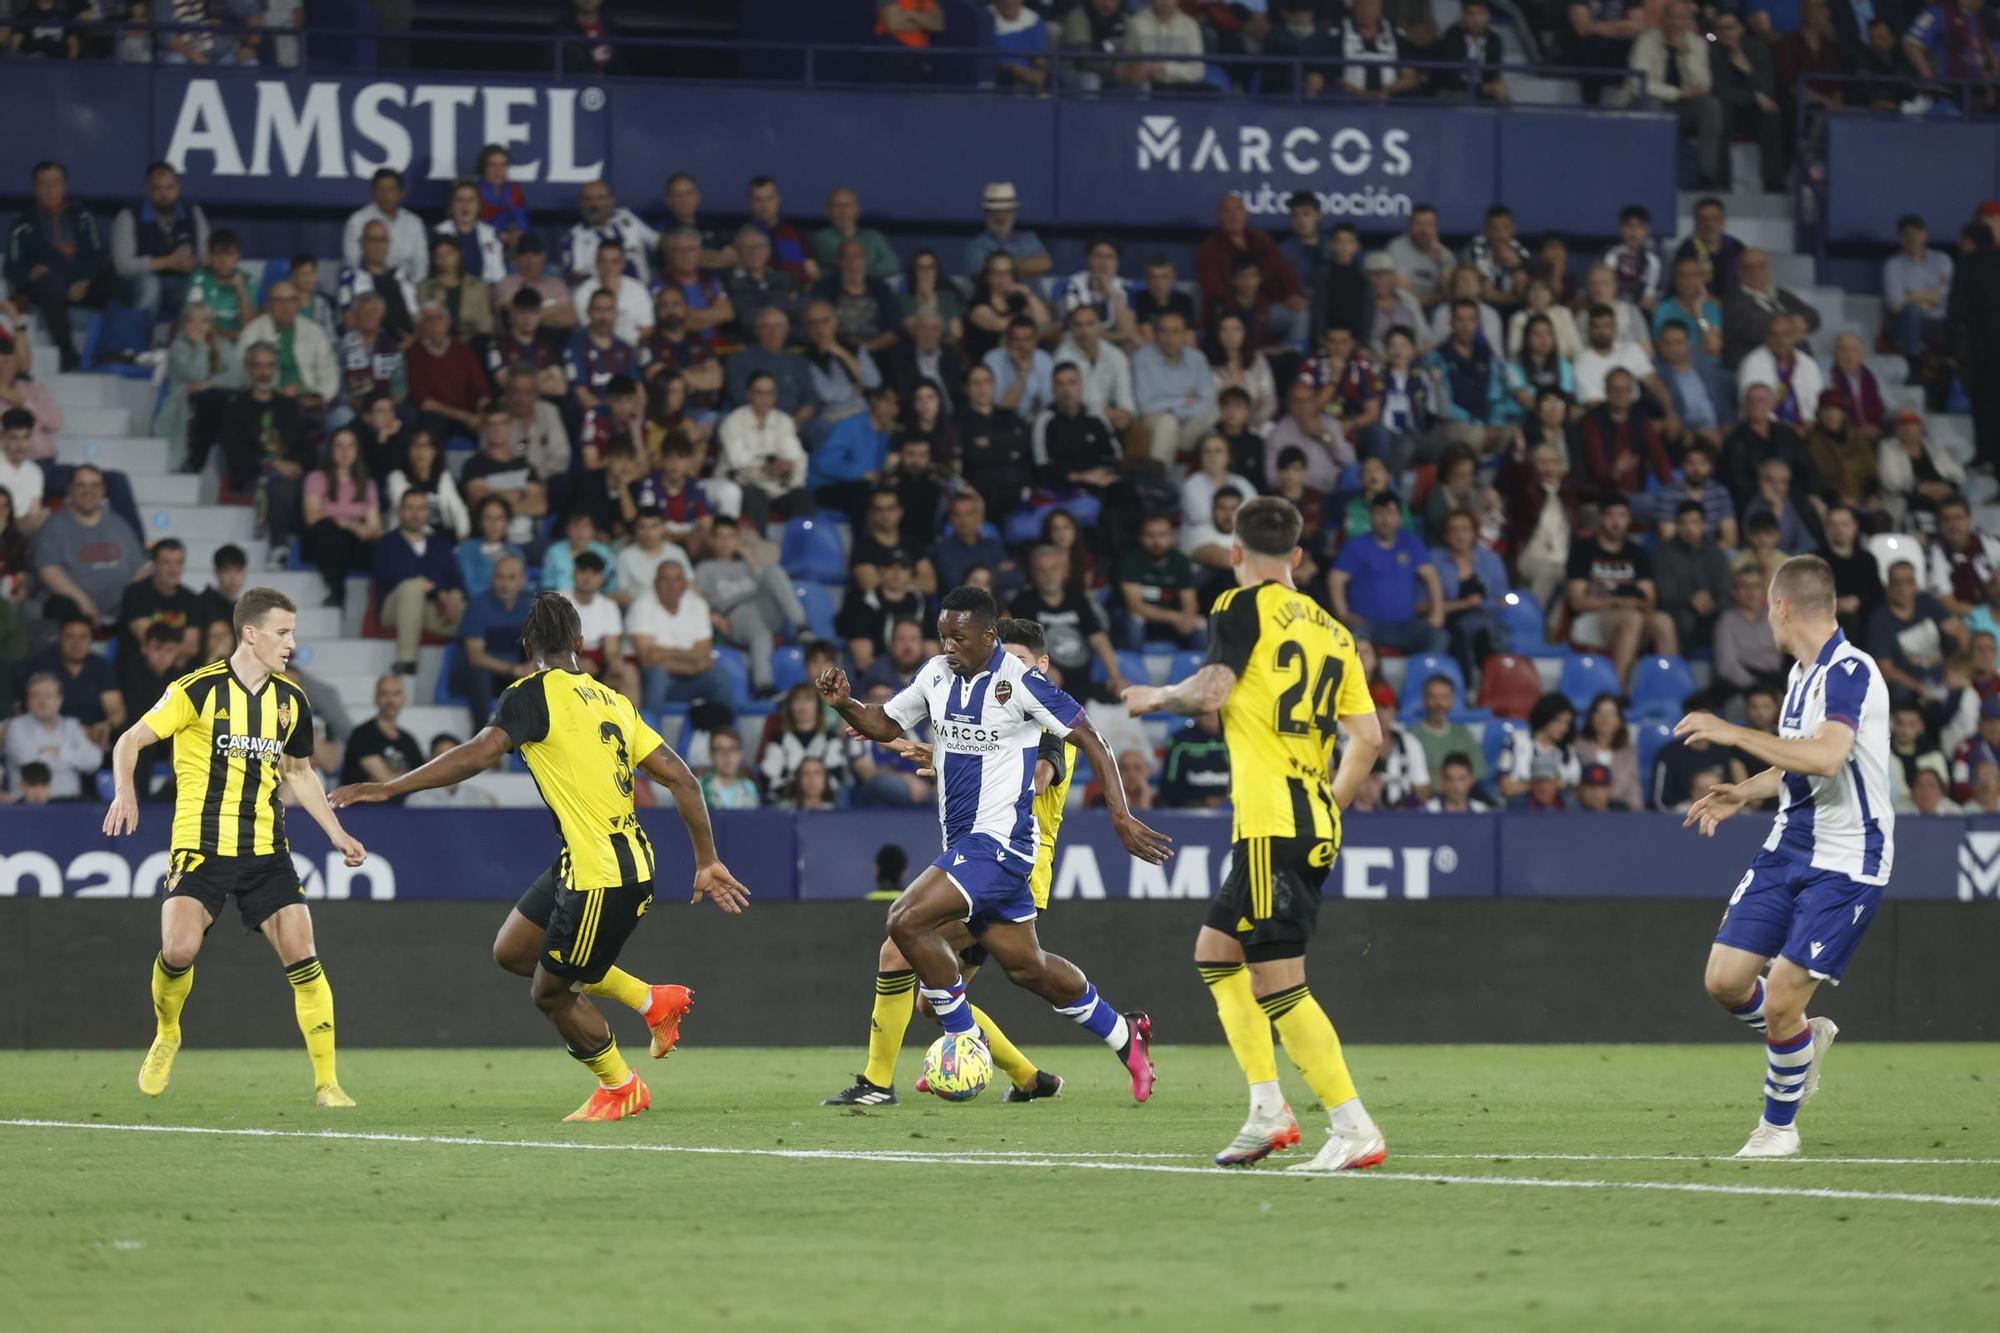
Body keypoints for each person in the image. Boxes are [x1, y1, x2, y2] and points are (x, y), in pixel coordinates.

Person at [333, 591, 750, 1120]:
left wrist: (390, 787)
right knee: (513, 952)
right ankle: (651, 1001)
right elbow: (685, 781)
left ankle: (622, 1087)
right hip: (595, 861)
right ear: (580, 643)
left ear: (529, 646)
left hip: (602, 874)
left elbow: (481, 751)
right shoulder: (614, 701)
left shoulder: (529, 694)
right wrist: (706, 858)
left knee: (550, 993)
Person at [1121, 496, 1388, 1169]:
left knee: (1277, 980)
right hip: (1311, 814)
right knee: (1217, 951)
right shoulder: (1334, 630)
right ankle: (1268, 1109)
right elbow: (1369, 738)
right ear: (1297, 555)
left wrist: (1154, 698)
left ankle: (1353, 1125)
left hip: (1273, 821)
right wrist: (1326, 801)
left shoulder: (1239, 607)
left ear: (1235, 552)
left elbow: (1210, 693)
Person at [820, 585, 1165, 1101]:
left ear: (988, 635)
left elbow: (1093, 738)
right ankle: (1124, 1035)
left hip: (1000, 844)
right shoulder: (936, 674)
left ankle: (963, 1039)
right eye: (942, 636)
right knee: (1029, 967)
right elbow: (884, 722)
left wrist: (1120, 816)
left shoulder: (1021, 684)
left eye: (957, 637)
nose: (947, 645)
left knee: (904, 921)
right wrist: (845, 703)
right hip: (968, 846)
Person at [102, 588, 365, 1104]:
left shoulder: (292, 702)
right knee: (178, 951)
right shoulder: (196, 690)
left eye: (293, 632)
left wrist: (337, 833)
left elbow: (299, 772)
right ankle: (167, 1032)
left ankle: (328, 1083)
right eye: (282, 632)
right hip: (201, 846)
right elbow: (129, 740)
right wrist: (125, 792)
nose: (292, 643)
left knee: (304, 955)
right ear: (251, 633)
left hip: (267, 849)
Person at [1677, 555, 1893, 1158]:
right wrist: (1743, 790)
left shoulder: (1850, 670)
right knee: (1724, 981)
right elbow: (1800, 760)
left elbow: (1826, 757)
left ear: (1781, 606)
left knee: (1780, 1000)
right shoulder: (1803, 674)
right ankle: (1799, 1039)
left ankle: (1778, 1128)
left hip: (1848, 860)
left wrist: (1733, 733)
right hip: (1790, 844)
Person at [823, 617, 1073, 1104]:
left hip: (1007, 865)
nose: (1012, 671)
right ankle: (1029, 1076)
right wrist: (935, 751)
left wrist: (940, 753)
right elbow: (984, 755)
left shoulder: (1047, 721)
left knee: (903, 949)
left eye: (1023, 662)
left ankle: (880, 1083)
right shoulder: (982, 699)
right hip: (981, 857)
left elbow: (1032, 776)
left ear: (1040, 665)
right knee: (934, 998)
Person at [5, 160, 109, 372]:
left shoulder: (83, 215)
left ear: (65, 185)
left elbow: (98, 254)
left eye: (56, 182)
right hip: (48, 283)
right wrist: (29, 275)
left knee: (123, 283)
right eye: (44, 184)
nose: (51, 189)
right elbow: (12, 268)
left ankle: (114, 352)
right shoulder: (22, 224)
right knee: (49, 283)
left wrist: (85, 281)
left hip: (83, 280)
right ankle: (68, 356)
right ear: (35, 188)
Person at [695, 516, 807, 696]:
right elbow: (695, 601)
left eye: (730, 537)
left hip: (762, 606)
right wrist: (713, 618)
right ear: (712, 540)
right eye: (720, 537)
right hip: (735, 614)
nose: (725, 542)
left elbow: (767, 578)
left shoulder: (745, 563)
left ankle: (802, 626)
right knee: (759, 630)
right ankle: (764, 684)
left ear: (737, 540)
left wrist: (749, 558)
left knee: (774, 571)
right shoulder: (705, 569)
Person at [1331, 491, 1449, 656]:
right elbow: (1336, 580)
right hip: (1367, 625)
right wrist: (1343, 614)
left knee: (1439, 637)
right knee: (1351, 639)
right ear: (1371, 517)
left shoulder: (1410, 542)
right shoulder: (1356, 545)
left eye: (1391, 513)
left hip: (1407, 625)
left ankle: (1421, 680)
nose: (1386, 520)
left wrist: (1437, 613)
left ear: (1400, 517)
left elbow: (1432, 577)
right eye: (1379, 513)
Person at [32, 464, 143, 628]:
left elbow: (139, 570)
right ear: (70, 490)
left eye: (94, 485)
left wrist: (130, 602)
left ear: (103, 490)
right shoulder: (53, 527)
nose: (88, 491)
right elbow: (47, 571)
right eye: (81, 485)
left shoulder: (119, 524)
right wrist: (84, 603)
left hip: (120, 615)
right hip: (73, 613)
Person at [1629, 2, 1724, 190]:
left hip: (1684, 106)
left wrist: (1685, 55)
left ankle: (1706, 175)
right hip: (1650, 102)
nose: (1675, 22)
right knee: (1653, 107)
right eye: (1671, 17)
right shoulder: (1646, 40)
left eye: (1682, 18)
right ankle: (1654, 173)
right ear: (1662, 19)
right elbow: (1637, 84)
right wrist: (1677, 93)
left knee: (1711, 106)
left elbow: (1703, 85)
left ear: (1689, 21)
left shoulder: (1698, 43)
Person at [111, 160, 209, 324]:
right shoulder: (128, 215)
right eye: (158, 188)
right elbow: (122, 266)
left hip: (179, 282)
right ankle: (140, 345)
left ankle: (187, 346)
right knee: (151, 285)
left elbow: (207, 258)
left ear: (178, 188)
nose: (164, 194)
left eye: (169, 188)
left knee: (197, 288)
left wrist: (195, 264)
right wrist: (168, 262)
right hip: (136, 284)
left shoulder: (193, 212)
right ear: (148, 190)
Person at [1884, 212, 1952, 365]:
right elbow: (1894, 303)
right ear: (1900, 239)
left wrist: (1911, 295)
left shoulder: (1942, 260)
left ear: (1925, 235)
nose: (1912, 239)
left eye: (1916, 234)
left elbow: (1945, 296)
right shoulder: (1893, 265)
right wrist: (1929, 298)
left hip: (1938, 323)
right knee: (1912, 311)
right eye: (1907, 235)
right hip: (1902, 322)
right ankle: (1912, 361)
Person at [699, 730, 760, 811]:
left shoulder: (749, 788)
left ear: (740, 754)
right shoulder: (699, 787)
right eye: (720, 749)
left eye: (732, 749)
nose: (727, 755)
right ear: (711, 755)